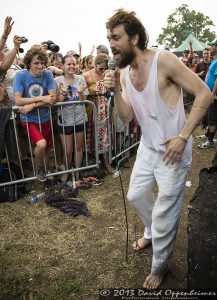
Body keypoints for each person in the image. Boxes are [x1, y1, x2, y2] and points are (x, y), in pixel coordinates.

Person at [104, 9, 213, 290]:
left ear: (134, 38)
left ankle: (160, 266)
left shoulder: (162, 60)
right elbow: (127, 116)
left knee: (166, 210)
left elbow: (204, 93)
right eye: (108, 38)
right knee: (136, 195)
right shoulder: (125, 72)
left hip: (174, 151)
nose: (111, 43)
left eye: (116, 37)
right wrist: (116, 90)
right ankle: (152, 231)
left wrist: (183, 135)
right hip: (147, 148)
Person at [13, 46, 57, 182]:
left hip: (44, 116)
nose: (40, 66)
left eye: (42, 63)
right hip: (29, 118)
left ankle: (45, 173)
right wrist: (42, 98)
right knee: (41, 144)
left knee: (47, 148)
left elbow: (53, 98)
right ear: (29, 63)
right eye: (36, 63)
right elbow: (18, 100)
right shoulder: (20, 75)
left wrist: (33, 105)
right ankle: (38, 167)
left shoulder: (48, 74)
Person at [55, 54, 88, 182]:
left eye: (74, 64)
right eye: (69, 64)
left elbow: (84, 100)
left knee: (79, 148)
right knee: (68, 150)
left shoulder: (80, 79)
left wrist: (79, 92)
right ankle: (67, 173)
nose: (72, 66)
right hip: (64, 120)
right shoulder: (57, 81)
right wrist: (63, 93)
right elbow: (57, 102)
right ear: (63, 66)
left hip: (80, 117)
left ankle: (78, 173)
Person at [83, 53, 114, 174]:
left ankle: (106, 162)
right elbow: (82, 93)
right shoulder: (86, 75)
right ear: (95, 64)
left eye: (105, 68)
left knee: (105, 135)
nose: (102, 71)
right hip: (92, 109)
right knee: (93, 135)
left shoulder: (107, 74)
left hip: (105, 109)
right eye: (100, 68)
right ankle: (94, 163)